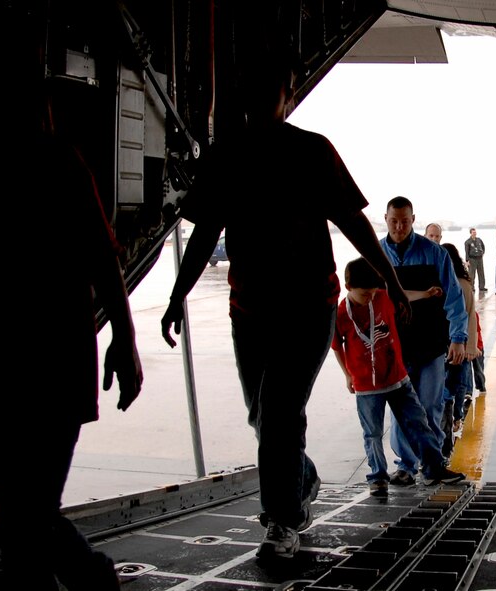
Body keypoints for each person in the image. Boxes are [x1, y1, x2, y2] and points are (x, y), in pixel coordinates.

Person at [160, 47, 410, 559]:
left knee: (276, 414)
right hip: (249, 313)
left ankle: (283, 520)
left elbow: (353, 221)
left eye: (273, 86)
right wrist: (175, 296)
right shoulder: (225, 157)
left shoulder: (312, 151)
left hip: (307, 310)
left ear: (287, 96)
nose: (262, 95)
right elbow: (206, 232)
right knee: (265, 418)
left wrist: (392, 281)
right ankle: (302, 478)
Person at [0, 47, 144, 589]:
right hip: (56, 364)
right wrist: (123, 337)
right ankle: (92, 580)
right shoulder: (61, 163)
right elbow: (103, 257)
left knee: (18, 514)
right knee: (32, 510)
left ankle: (90, 579)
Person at [331, 259, 466, 496]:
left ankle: (434, 468)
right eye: (364, 294)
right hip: (366, 385)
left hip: (397, 379)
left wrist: (426, 293)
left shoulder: (382, 297)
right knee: (372, 433)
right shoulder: (341, 314)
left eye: (373, 293)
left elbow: (403, 294)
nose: (370, 298)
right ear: (348, 287)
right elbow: (336, 346)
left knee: (419, 424)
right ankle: (378, 477)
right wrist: (347, 375)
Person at [380, 197, 468, 486]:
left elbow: (454, 300)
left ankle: (433, 464)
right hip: (394, 346)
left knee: (430, 406)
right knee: (401, 410)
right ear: (386, 218)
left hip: (431, 343)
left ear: (413, 219)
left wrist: (458, 338)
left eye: (404, 221)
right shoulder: (377, 254)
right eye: (394, 220)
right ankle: (405, 465)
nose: (399, 226)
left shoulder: (434, 254)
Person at [439, 244, 479, 459]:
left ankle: (446, 439)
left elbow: (468, 315)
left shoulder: (447, 283)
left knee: (445, 393)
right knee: (454, 389)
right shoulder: (464, 283)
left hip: (447, 346)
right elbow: (472, 315)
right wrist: (471, 346)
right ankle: (455, 421)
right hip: (459, 345)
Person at [464, 228, 487, 293]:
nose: (474, 233)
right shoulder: (467, 242)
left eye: (475, 232)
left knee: (481, 273)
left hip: (479, 258)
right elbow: (466, 251)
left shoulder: (479, 240)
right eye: (473, 232)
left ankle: (482, 287)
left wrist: (482, 253)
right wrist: (467, 260)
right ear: (470, 233)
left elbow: (483, 247)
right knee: (471, 274)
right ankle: (471, 287)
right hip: (472, 259)